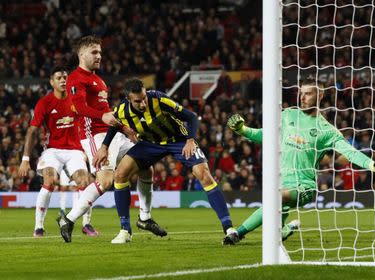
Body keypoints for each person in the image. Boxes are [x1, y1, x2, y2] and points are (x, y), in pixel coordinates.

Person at [225, 77, 375, 243]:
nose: (302, 97)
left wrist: (372, 165)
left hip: (303, 186)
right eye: (301, 93)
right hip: (282, 181)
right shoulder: (288, 115)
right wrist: (242, 129)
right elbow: (266, 134)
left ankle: (237, 234)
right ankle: (284, 230)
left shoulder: (327, 130)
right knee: (276, 212)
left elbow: (349, 152)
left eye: (308, 93)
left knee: (275, 197)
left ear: (320, 96)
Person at [93, 78, 239, 244]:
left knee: (203, 173)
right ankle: (125, 230)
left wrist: (190, 140)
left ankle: (229, 228)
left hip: (178, 141)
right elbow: (114, 125)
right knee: (120, 174)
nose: (143, 104)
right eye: (137, 101)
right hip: (150, 144)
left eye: (144, 98)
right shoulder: (121, 111)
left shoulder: (159, 99)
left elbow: (191, 117)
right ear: (128, 99)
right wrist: (104, 147)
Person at [56, 36, 166, 243]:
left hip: (110, 132)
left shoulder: (99, 80)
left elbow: (107, 112)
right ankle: (68, 219)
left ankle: (145, 217)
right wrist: (103, 119)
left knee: (145, 166)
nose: (99, 56)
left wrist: (125, 128)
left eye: (100, 52)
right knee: (106, 180)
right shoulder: (76, 78)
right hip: (92, 134)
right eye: (94, 52)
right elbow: (78, 108)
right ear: (81, 54)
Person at [18, 66, 91, 237]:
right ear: (52, 82)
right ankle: (39, 227)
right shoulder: (45, 103)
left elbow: (87, 125)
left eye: (65, 77)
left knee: (84, 182)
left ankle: (86, 225)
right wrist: (25, 158)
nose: (63, 80)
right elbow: (31, 130)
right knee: (50, 180)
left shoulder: (76, 100)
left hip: (75, 150)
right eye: (59, 78)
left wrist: (89, 148)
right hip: (53, 150)